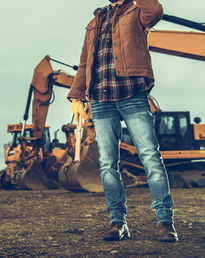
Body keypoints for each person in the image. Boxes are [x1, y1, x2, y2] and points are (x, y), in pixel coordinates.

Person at [67, 0, 178, 242]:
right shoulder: (95, 21)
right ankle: (118, 223)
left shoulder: (137, 9)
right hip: (100, 100)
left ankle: (165, 222)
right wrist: (76, 95)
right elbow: (85, 61)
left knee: (150, 157)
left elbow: (156, 11)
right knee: (107, 164)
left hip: (132, 95)